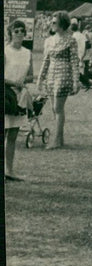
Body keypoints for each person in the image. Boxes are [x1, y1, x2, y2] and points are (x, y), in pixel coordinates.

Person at [36, 10, 80, 149]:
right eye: (52, 21)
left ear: (62, 24)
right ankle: (59, 139)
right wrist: (40, 78)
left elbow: (74, 61)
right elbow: (46, 60)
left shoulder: (71, 40)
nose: (52, 24)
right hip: (51, 75)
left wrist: (76, 80)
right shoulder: (49, 41)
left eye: (55, 22)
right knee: (54, 109)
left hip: (64, 75)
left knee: (58, 108)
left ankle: (56, 140)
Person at [5, 20, 34, 180]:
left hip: (19, 96)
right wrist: (13, 82)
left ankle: (9, 170)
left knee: (13, 136)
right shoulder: (5, 51)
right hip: (6, 94)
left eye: (22, 31)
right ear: (10, 33)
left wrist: (24, 80)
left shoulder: (27, 53)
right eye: (16, 31)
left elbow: (31, 74)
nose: (20, 33)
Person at [70, 19, 92, 90]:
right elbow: (88, 45)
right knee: (76, 70)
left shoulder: (73, 37)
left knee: (73, 70)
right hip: (82, 53)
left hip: (76, 54)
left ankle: (86, 82)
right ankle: (85, 82)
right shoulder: (82, 35)